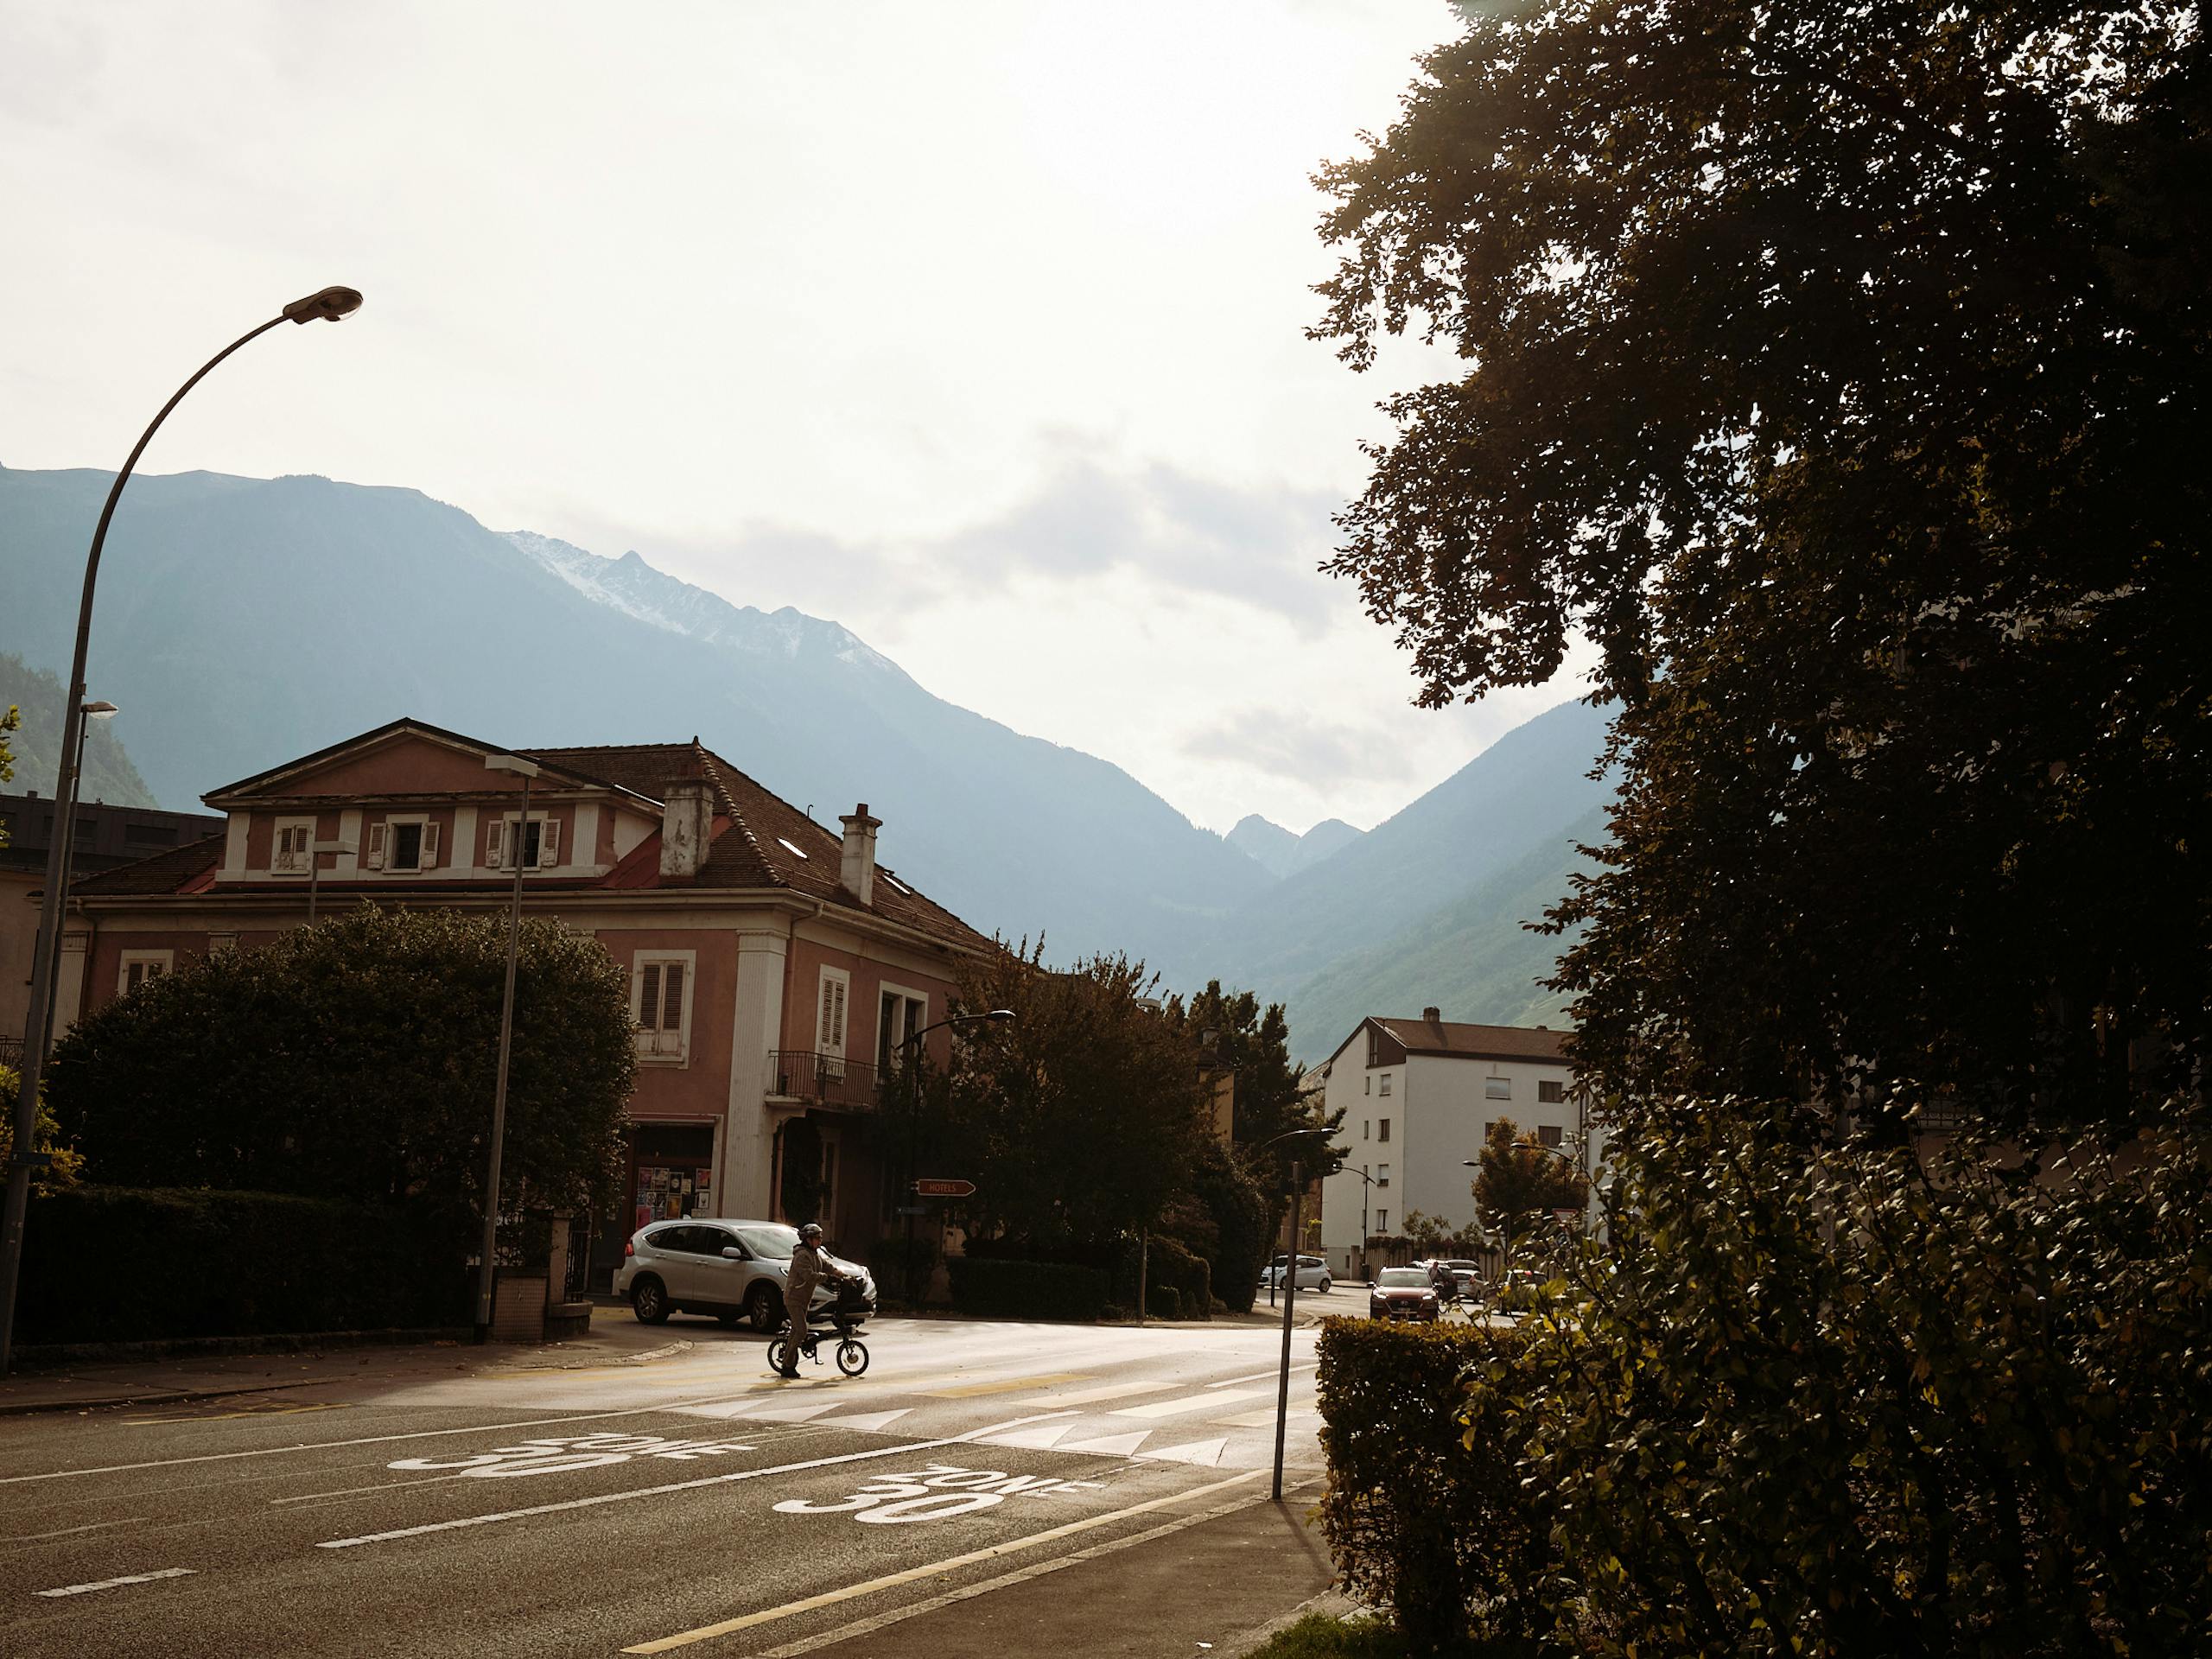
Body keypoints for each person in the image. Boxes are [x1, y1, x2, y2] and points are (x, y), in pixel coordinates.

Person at [777, 1222, 842, 1377]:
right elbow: (809, 1276)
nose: (820, 1241)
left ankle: (789, 1359)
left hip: (803, 1299)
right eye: (817, 1238)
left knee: (796, 1331)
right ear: (808, 1239)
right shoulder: (801, 1256)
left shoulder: (815, 1255)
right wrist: (828, 1278)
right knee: (801, 1331)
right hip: (794, 1298)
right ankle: (786, 1365)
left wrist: (844, 1276)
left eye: (820, 1238)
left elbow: (828, 1267)